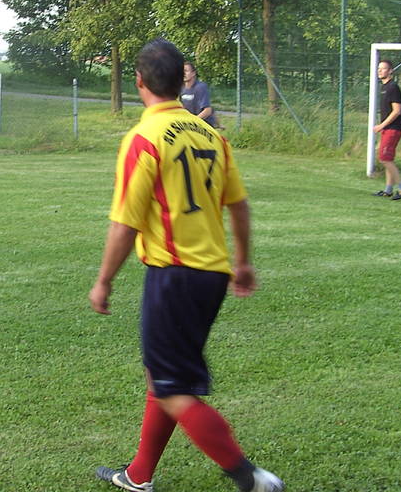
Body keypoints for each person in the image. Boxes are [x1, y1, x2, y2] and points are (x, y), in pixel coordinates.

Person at [89, 38, 283, 492]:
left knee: (175, 389)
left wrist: (103, 282)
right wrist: (245, 262)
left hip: (174, 275)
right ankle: (139, 475)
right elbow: (238, 204)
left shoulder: (145, 138)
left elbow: (124, 225)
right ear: (182, 82)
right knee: (163, 375)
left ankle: (249, 477)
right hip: (212, 275)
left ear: (139, 82)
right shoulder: (212, 135)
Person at [372, 58, 401, 201]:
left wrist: (381, 125)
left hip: (393, 129)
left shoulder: (393, 87)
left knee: (385, 159)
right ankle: (388, 190)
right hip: (387, 129)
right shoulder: (384, 87)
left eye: (383, 68)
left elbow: (396, 111)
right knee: (387, 158)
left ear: (390, 71)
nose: (380, 71)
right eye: (378, 68)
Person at [180, 60, 218, 128]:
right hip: (192, 126)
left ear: (193, 73)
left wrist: (192, 123)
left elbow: (207, 111)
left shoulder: (200, 87)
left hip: (205, 125)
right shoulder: (181, 88)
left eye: (186, 71)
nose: (183, 73)